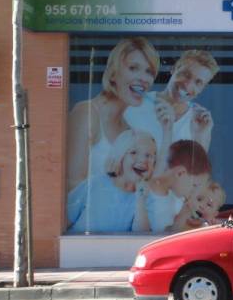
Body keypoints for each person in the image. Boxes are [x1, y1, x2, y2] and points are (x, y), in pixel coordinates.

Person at [66, 37, 172, 193]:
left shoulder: (129, 130)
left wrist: (168, 130)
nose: (144, 79)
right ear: (113, 74)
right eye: (133, 68)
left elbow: (149, 187)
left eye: (149, 72)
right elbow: (72, 189)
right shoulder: (86, 114)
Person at [124, 49, 220, 153]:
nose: (187, 85)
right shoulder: (135, 104)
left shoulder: (199, 123)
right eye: (186, 74)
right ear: (173, 69)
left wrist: (201, 136)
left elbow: (197, 168)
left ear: (202, 89)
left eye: (198, 82)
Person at [67, 130, 156, 233]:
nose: (142, 160)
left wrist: (140, 200)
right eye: (134, 152)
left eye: (149, 156)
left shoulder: (146, 197)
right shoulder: (95, 184)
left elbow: (141, 236)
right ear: (120, 155)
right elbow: (64, 220)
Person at [133, 140, 212, 233]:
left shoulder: (175, 197)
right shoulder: (144, 192)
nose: (193, 192)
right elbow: (146, 235)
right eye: (194, 186)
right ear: (180, 173)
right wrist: (185, 212)